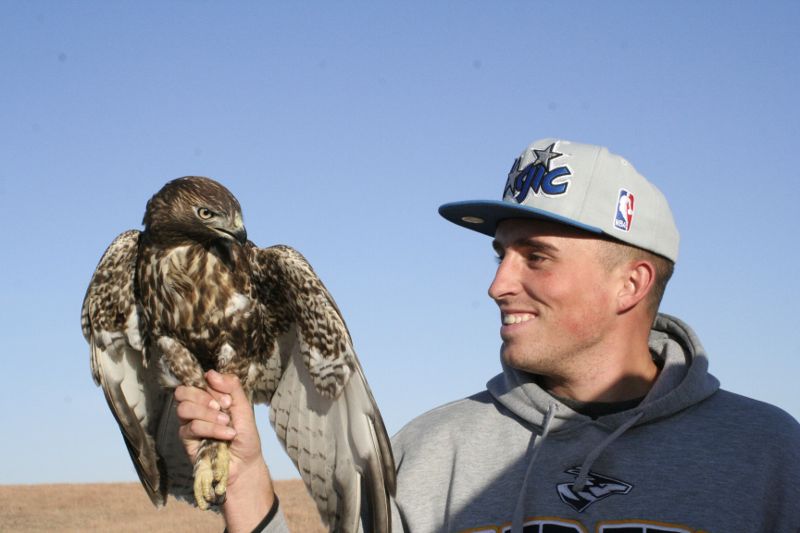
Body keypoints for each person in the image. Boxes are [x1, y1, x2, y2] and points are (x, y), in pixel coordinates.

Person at [175, 139, 800, 533]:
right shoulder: (430, 453)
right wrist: (249, 484)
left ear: (630, 284)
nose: (498, 284)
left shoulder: (769, 456)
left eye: (536, 257)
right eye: (500, 254)